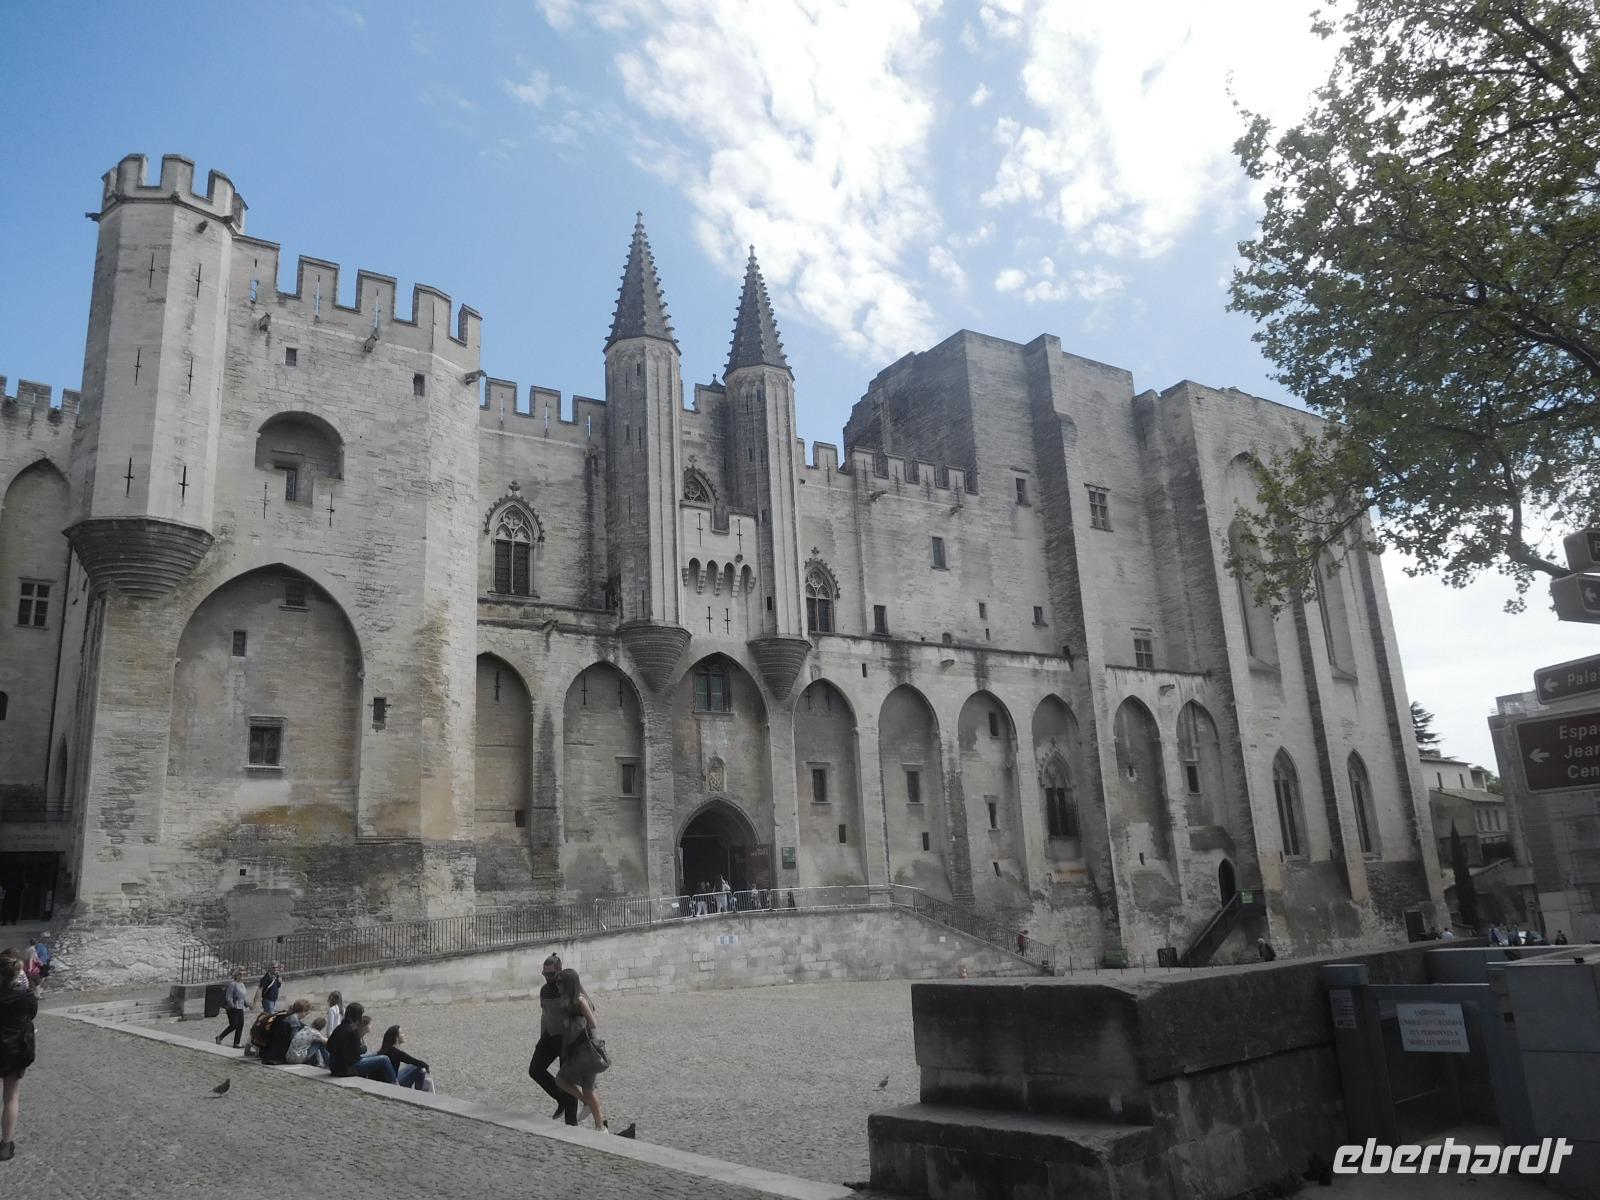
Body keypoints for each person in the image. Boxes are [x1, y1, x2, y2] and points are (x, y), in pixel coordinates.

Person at [528, 953, 578, 1126]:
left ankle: (571, 1124)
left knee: (567, 1080)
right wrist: (542, 1038)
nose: (548, 977)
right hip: (550, 1036)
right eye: (545, 974)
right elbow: (545, 1015)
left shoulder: (567, 987)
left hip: (567, 1039)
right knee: (535, 1070)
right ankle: (560, 1098)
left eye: (551, 974)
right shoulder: (544, 990)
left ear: (559, 971)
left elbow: (583, 1009)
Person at [554, 968, 606, 1131]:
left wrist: (575, 1025)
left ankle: (601, 1127)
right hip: (576, 1050)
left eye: (560, 982)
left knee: (589, 1090)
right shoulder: (568, 1000)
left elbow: (593, 1023)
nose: (557, 985)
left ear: (569, 984)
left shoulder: (580, 1000)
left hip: (587, 1049)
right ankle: (588, 1106)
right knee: (563, 1080)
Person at [0, 951, 38, 1162]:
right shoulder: (25, 997)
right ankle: (6, 1145)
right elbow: (31, 1014)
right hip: (14, 1050)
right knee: (11, 1098)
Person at [325, 1004, 397, 1083]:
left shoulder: (339, 1028)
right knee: (384, 1059)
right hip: (348, 1068)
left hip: (334, 1067)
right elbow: (358, 1051)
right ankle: (395, 1083)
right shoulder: (353, 1029)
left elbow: (328, 1046)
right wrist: (364, 1047)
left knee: (375, 1053)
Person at [379, 1025, 434, 1092]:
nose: (404, 1034)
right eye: (402, 1033)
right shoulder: (395, 1052)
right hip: (391, 1085)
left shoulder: (386, 1049)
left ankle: (419, 1091)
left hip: (389, 1081)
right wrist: (426, 1066)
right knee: (420, 1067)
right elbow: (413, 1061)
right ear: (396, 1038)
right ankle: (419, 1093)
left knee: (415, 1066)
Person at [262, 998, 311, 1065]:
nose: (307, 1014)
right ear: (303, 1011)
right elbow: (294, 1039)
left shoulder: (288, 1017)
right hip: (282, 1054)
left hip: (272, 1052)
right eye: (306, 1012)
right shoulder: (294, 1021)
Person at [214, 967, 249, 1048]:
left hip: (240, 1007)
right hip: (233, 1007)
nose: (242, 976)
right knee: (234, 1025)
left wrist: (247, 1004)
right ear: (236, 975)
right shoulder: (233, 984)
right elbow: (228, 996)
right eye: (240, 974)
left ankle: (236, 1042)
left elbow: (243, 997)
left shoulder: (242, 984)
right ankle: (220, 1037)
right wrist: (232, 1005)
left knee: (240, 1025)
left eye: (244, 974)